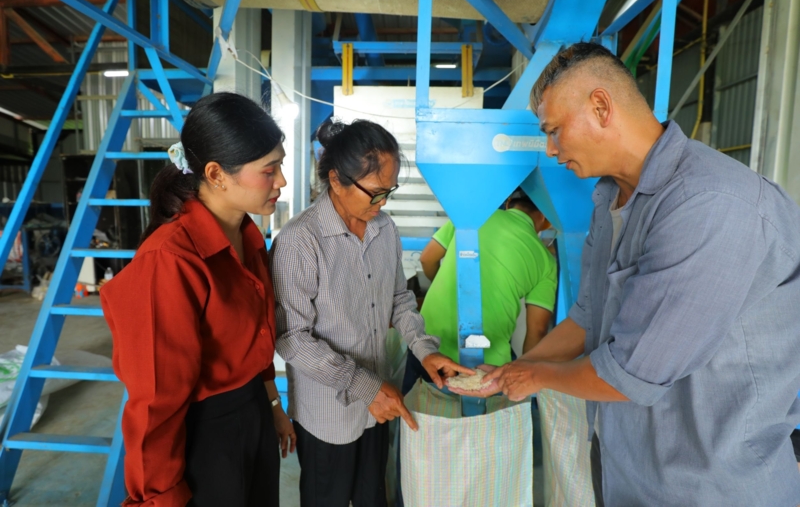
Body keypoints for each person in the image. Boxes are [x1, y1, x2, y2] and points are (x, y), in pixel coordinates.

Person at [450, 42, 800, 506]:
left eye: (554, 131)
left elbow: (626, 376)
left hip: (710, 485)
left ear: (601, 107)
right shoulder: (608, 200)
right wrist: (513, 370)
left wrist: (535, 377)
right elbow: (587, 316)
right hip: (630, 470)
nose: (551, 151)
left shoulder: (710, 206)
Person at [101, 92, 295, 507]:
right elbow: (156, 402)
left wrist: (272, 405)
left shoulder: (248, 239)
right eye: (269, 170)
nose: (281, 181)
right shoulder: (169, 260)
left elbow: (256, 344)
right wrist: (159, 496)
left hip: (253, 415)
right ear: (216, 174)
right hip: (205, 437)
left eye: (280, 165)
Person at [270, 119, 471, 507]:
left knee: (372, 498)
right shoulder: (300, 241)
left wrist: (424, 350)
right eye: (376, 193)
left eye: (389, 192)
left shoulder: (384, 229)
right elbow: (292, 339)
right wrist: (366, 386)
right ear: (336, 180)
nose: (382, 204)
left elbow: (399, 299)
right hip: (328, 414)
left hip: (377, 405)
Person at [402, 189, 557, 394]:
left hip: (429, 344)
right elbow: (537, 330)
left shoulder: (474, 218)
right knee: (482, 413)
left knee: (418, 405)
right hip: (488, 363)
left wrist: (444, 285)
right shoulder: (546, 262)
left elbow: (427, 258)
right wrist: (527, 383)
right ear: (546, 217)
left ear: (508, 203)